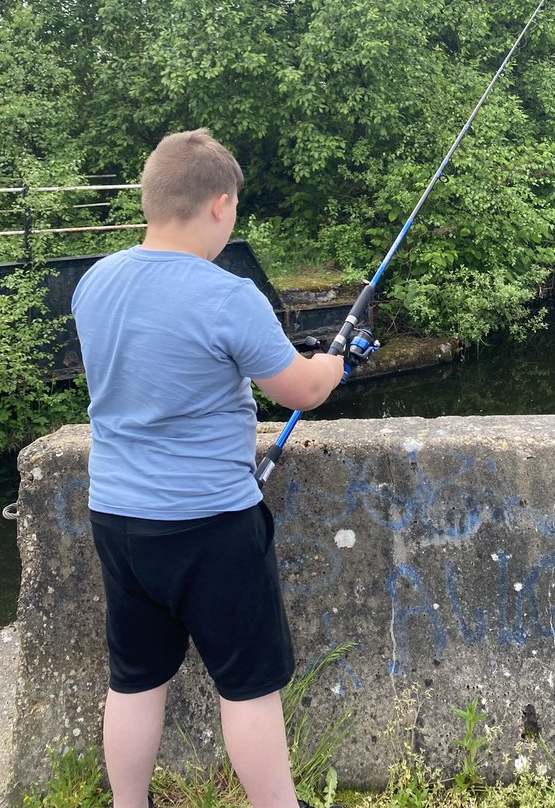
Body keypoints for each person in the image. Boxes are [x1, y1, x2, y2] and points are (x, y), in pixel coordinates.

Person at [71, 128, 344, 808]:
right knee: (249, 685)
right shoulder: (228, 295)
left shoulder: (94, 283)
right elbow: (302, 391)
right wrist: (336, 362)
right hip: (209, 526)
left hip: (118, 520)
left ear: (151, 199)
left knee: (134, 678)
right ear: (220, 205)